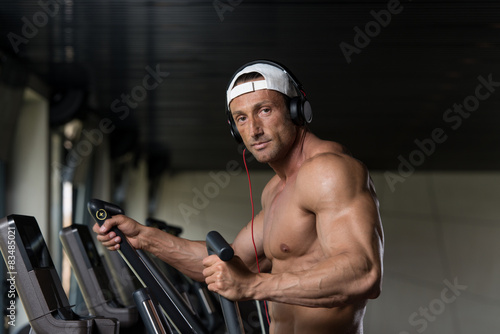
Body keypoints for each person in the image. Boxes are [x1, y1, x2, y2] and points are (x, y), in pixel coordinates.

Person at [94, 60, 384, 334]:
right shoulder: (276, 190)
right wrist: (145, 238)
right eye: (241, 118)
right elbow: (229, 262)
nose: (254, 130)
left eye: (265, 110)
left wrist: (254, 286)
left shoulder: (328, 170)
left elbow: (363, 273)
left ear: (297, 111)